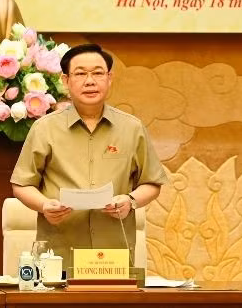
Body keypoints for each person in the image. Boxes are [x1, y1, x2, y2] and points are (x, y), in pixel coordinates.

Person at [10, 44, 168, 267]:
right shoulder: (44, 128)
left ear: (110, 78)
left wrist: (130, 201)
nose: (90, 81)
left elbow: (152, 182)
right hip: (58, 254)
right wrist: (45, 205)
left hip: (113, 258)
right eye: (81, 73)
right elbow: (21, 184)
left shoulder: (132, 128)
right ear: (66, 81)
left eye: (97, 73)